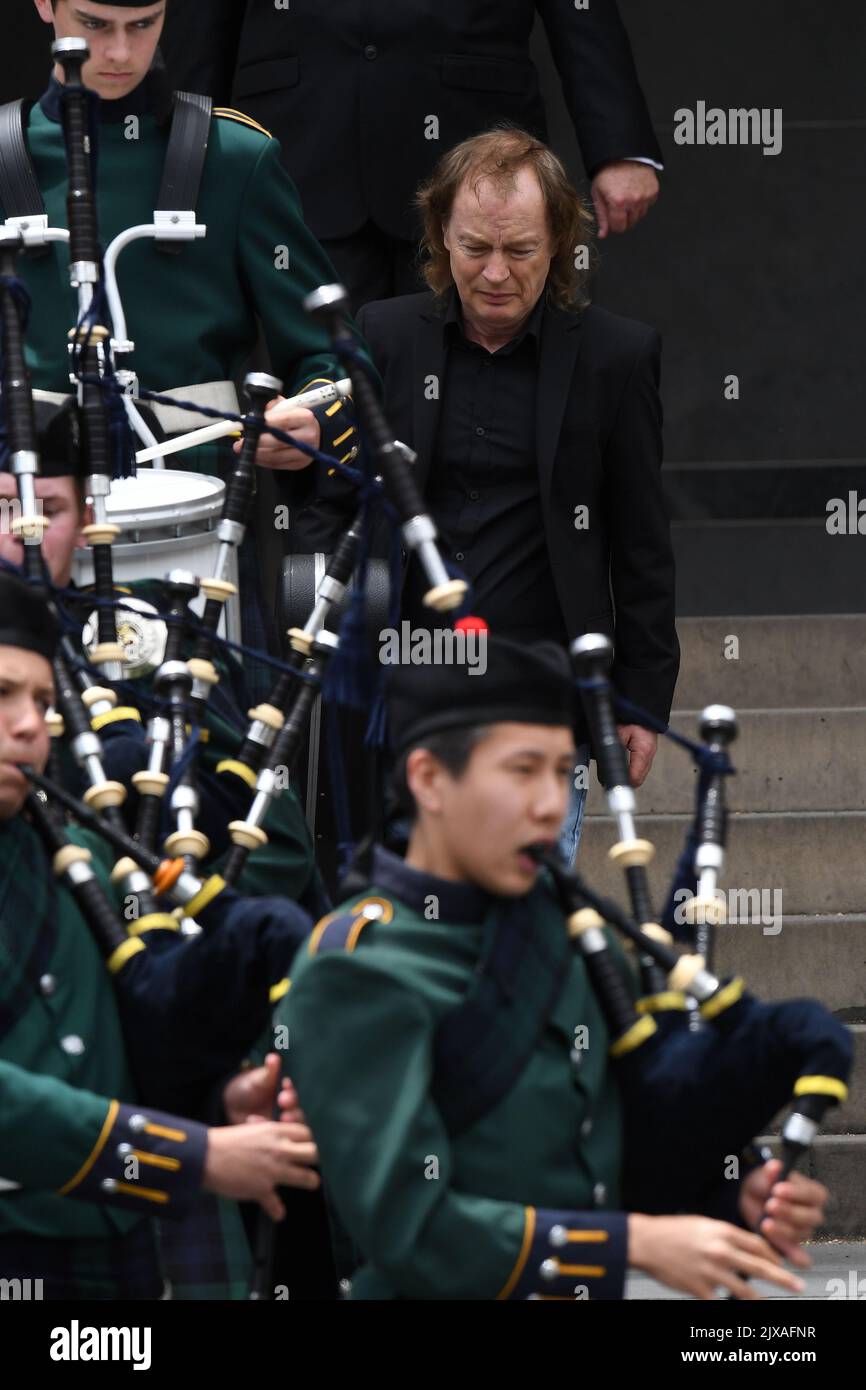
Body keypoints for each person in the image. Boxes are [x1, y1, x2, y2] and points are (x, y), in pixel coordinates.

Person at [280, 635, 829, 1300]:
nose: (550, 802)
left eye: (562, 770)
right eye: (522, 770)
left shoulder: (569, 930)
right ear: (428, 778)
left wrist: (731, 1197)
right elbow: (411, 1231)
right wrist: (634, 1246)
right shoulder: (357, 966)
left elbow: (611, 1156)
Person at [298, 128, 679, 855]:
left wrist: (640, 698)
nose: (496, 273)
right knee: (404, 928)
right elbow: (332, 509)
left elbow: (642, 545)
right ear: (442, 234)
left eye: (521, 250)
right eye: (475, 248)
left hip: (541, 699)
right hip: (399, 699)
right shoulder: (384, 335)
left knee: (520, 930)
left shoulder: (617, 357)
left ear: (561, 239)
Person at [11, 0, 369, 697]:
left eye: (143, 24)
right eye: (95, 22)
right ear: (45, 5)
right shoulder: (2, 157)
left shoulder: (234, 157)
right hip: (26, 521)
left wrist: (314, 418)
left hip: (201, 530)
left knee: (213, 771)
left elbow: (339, 356)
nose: (119, 51)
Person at [0, 569, 321, 1299]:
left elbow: (103, 1041)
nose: (28, 723)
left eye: (43, 700)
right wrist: (196, 1156)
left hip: (112, 1257)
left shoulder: (69, 849)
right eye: (3, 696)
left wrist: (220, 1098)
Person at [160, 0, 663, 311]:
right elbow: (201, 21)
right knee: (318, 385)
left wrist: (620, 146)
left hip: (473, 148)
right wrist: (181, 162)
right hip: (304, 149)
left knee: (477, 381)